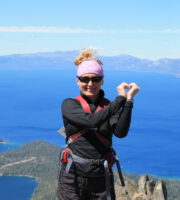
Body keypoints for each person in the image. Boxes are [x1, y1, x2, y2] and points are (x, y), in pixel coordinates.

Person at [56, 49, 140, 200]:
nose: (90, 84)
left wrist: (128, 101)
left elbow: (120, 133)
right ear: (77, 81)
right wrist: (119, 100)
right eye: (84, 79)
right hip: (73, 176)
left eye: (95, 79)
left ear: (102, 81)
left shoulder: (109, 106)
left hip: (101, 177)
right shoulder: (70, 104)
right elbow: (91, 120)